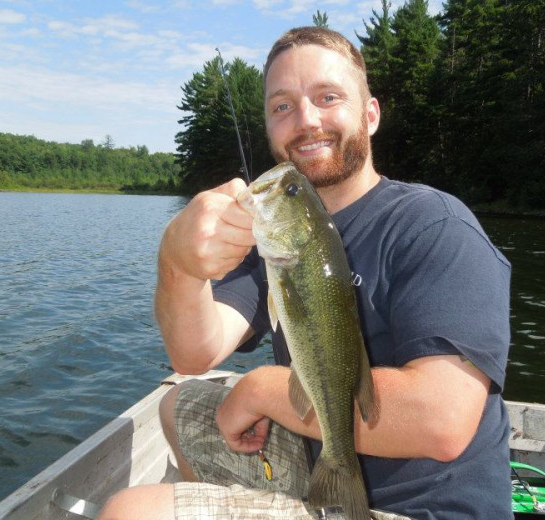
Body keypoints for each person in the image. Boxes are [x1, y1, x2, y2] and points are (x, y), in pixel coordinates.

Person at [100, 26, 512, 520]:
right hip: (322, 457)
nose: (306, 120)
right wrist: (177, 264)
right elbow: (193, 353)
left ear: (371, 114)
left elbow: (442, 422)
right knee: (178, 405)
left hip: (428, 510)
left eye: (328, 96)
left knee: (131, 513)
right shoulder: (278, 238)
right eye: (282, 106)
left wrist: (260, 389)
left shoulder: (434, 227)